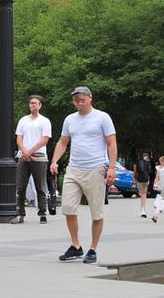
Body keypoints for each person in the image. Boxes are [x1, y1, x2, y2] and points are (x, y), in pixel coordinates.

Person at [50, 86, 117, 265]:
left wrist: (111, 167)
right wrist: (54, 161)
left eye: (82, 98)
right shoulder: (70, 119)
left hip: (96, 168)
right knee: (68, 208)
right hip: (74, 168)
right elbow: (63, 142)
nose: (79, 101)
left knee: (96, 212)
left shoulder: (102, 117)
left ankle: (93, 248)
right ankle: (76, 245)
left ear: (90, 98)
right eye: (76, 99)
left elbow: (111, 143)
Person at [12, 95, 52, 224]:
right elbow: (19, 138)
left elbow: (44, 140)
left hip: (39, 156)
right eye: (31, 103)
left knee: (40, 186)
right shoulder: (23, 120)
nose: (32, 105)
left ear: (40, 105)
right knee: (20, 186)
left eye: (35, 103)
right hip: (23, 156)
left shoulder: (45, 121)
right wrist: (24, 151)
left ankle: (42, 213)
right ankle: (20, 213)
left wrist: (30, 151)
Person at [133, 151, 152, 218]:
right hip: (146, 179)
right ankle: (143, 209)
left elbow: (135, 171)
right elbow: (149, 171)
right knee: (144, 194)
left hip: (139, 179)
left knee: (142, 194)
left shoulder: (137, 162)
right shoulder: (147, 161)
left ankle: (142, 210)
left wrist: (134, 179)